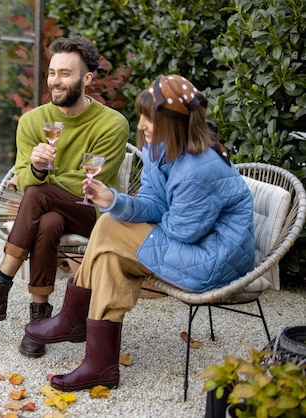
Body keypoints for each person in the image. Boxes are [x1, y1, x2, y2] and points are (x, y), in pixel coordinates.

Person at [24, 74, 255, 391]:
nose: (142, 125)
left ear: (173, 123)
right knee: (109, 255)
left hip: (211, 259)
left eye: (150, 118)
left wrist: (125, 220)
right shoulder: (162, 150)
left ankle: (74, 319)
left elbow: (182, 231)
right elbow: (153, 203)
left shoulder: (200, 167)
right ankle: (101, 367)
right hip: (185, 247)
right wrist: (113, 200)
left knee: (108, 227)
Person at [0, 37, 129, 358]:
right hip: (51, 209)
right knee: (47, 220)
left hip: (93, 215)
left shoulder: (112, 124)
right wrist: (36, 170)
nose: (55, 81)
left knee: (39, 193)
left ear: (87, 79)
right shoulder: (32, 121)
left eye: (66, 74)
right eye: (52, 72)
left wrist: (40, 173)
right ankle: (38, 320)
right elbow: (21, 177)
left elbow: (89, 182)